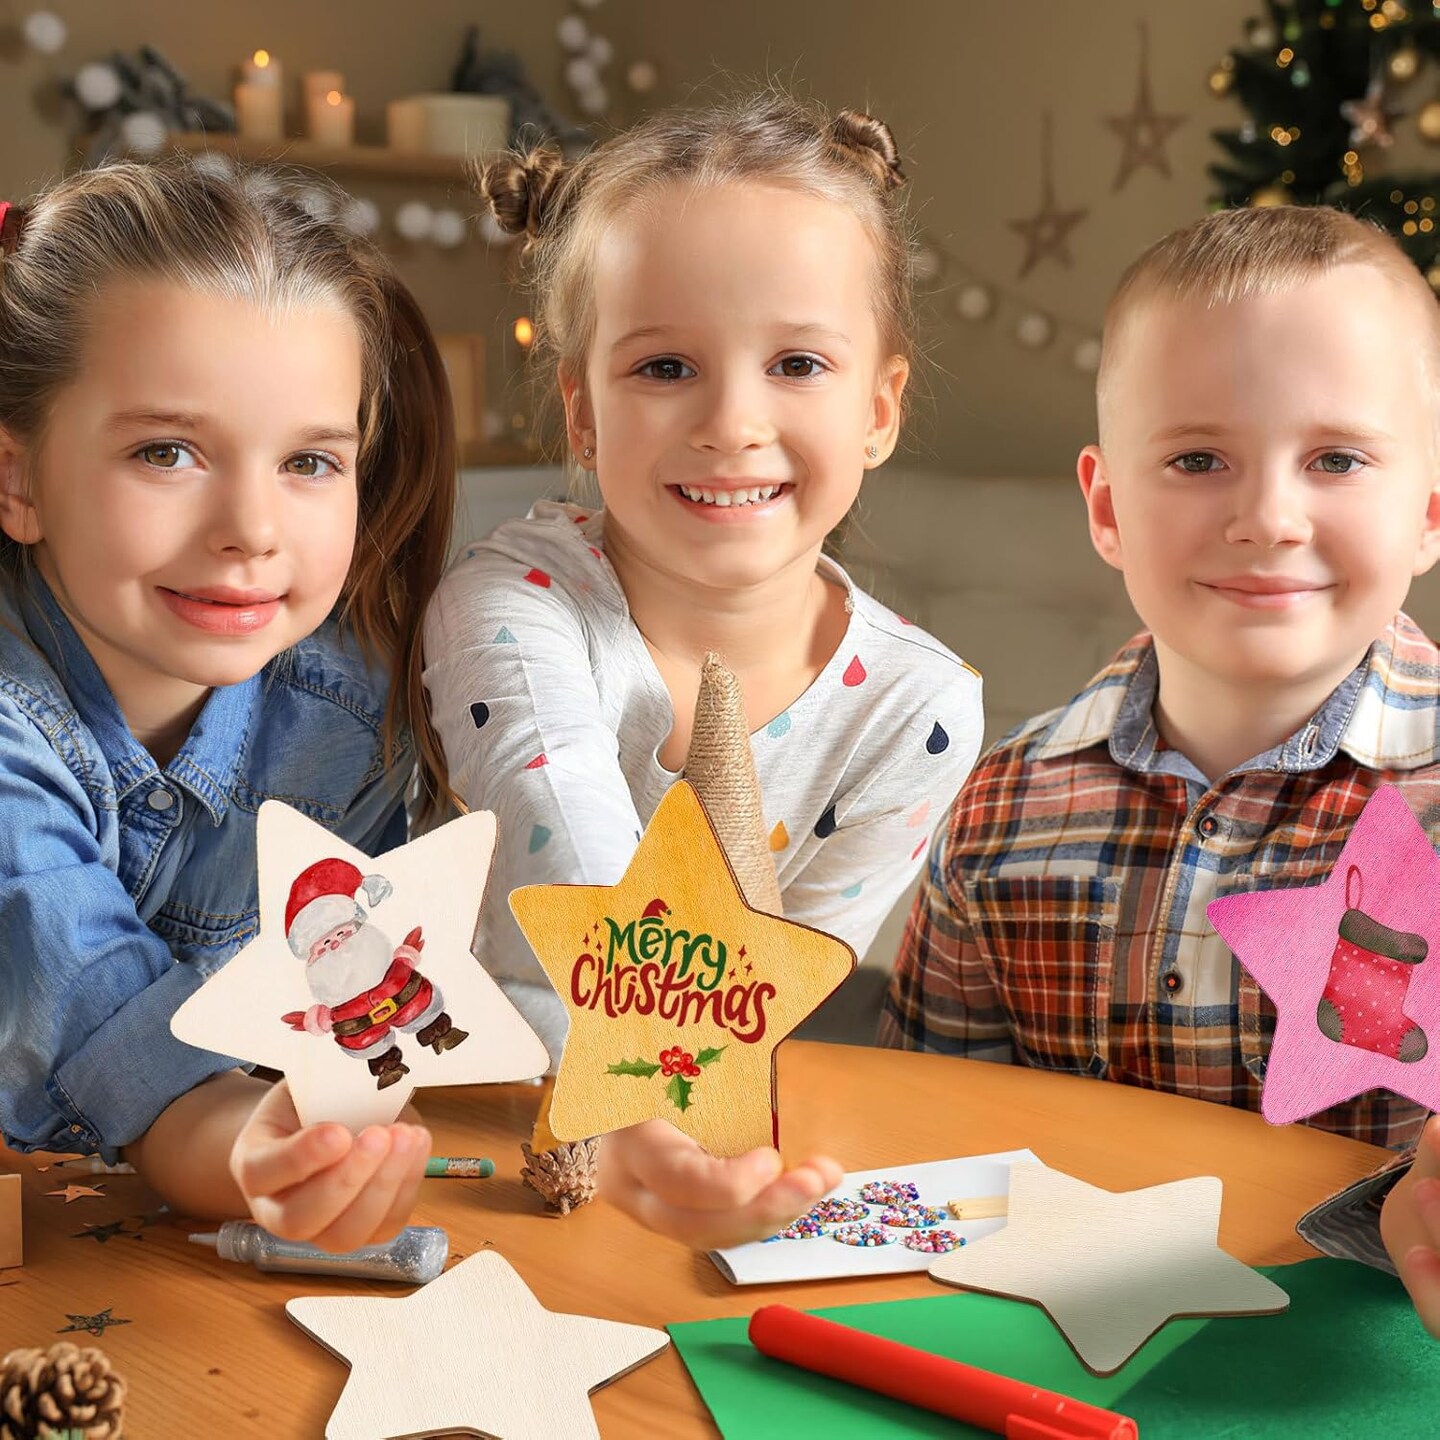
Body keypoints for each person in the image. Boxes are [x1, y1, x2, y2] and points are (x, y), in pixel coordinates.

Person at [422, 92, 983, 1246]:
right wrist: (625, 1096)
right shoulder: (508, 605)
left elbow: (779, 987)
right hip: (436, 1133)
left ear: (879, 410)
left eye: (797, 362)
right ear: (582, 412)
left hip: (689, 1141)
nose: (732, 421)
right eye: (666, 365)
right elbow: (558, 806)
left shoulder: (920, 711)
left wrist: (661, 1113)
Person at [879, 203, 1440, 1335]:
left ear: (1429, 510)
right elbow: (926, 1140)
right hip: (1052, 1349)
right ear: (1107, 507)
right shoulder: (1000, 813)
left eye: (1336, 459)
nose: (1268, 518)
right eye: (1197, 460)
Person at [0, 157, 456, 1254]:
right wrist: (257, 1151)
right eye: (167, 452)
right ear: (18, 480)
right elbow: (127, 1051)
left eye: (309, 461)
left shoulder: (348, 717)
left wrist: (324, 1135)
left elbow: (365, 1004)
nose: (250, 529)